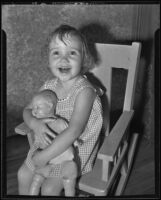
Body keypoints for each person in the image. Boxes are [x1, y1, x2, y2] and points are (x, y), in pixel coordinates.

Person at [17, 24, 103, 196]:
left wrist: (44, 157)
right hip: (48, 143)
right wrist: (35, 124)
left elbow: (74, 131)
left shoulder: (85, 91)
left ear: (84, 58)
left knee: (49, 188)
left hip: (74, 151)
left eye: (72, 53)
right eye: (56, 52)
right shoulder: (48, 86)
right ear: (48, 59)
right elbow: (27, 110)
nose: (64, 59)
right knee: (22, 175)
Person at [27, 89, 77, 196]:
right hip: (45, 158)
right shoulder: (38, 123)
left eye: (38, 107)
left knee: (69, 171)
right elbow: (38, 143)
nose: (34, 111)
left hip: (60, 155)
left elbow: (70, 134)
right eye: (33, 107)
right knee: (35, 179)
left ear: (49, 106)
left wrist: (77, 142)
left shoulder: (59, 122)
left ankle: (69, 187)